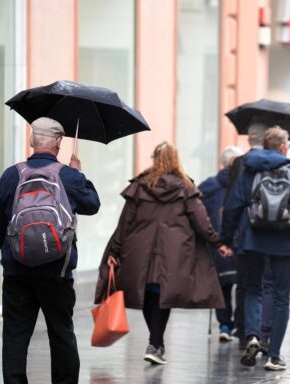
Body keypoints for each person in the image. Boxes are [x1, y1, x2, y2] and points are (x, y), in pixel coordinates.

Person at [95, 142, 231, 365]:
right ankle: (155, 343)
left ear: (154, 159)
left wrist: (115, 251)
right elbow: (202, 223)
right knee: (161, 297)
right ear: (176, 160)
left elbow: (124, 223)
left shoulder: (140, 186)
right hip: (175, 254)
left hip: (140, 250)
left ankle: (155, 343)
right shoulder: (186, 188)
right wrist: (218, 244)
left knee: (150, 296)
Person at [0, 117, 101, 384]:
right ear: (58, 143)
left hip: (17, 273)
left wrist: (14, 251)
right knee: (61, 335)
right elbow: (93, 204)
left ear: (31, 141)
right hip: (57, 273)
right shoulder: (67, 176)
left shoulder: (11, 175)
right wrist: (79, 173)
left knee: (15, 337)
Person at [221, 126, 290, 371]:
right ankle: (274, 355)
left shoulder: (249, 168)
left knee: (253, 290)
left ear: (265, 145)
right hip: (285, 241)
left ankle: (252, 336)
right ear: (283, 147)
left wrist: (225, 237)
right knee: (281, 298)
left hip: (253, 239)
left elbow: (233, 205)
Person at [226, 122, 274, 351]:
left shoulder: (239, 164)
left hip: (246, 232)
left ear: (249, 138)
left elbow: (232, 202)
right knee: (269, 286)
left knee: (248, 284)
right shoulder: (281, 164)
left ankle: (247, 331)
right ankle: (266, 334)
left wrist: (226, 237)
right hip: (276, 234)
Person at [198, 145, 243, 342]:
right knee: (244, 286)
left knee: (222, 287)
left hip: (216, 244)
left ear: (222, 164)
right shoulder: (244, 184)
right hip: (240, 242)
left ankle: (225, 325)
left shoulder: (208, 186)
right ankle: (241, 326)